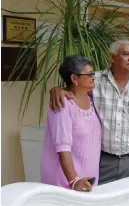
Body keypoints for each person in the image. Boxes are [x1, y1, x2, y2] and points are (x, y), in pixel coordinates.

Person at [49, 40, 129, 185]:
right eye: (126, 54)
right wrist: (58, 90)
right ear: (112, 58)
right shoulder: (94, 80)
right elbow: (76, 88)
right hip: (104, 162)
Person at [41, 55, 101, 192]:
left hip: (88, 180)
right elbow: (63, 148)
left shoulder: (91, 98)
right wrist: (74, 180)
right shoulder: (61, 105)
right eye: (89, 74)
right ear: (74, 78)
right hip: (67, 183)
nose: (94, 77)